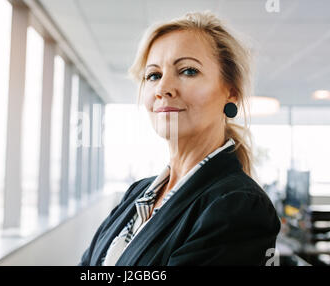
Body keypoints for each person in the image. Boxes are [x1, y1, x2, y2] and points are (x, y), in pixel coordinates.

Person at [79, 11, 280, 266]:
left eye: (187, 71)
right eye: (153, 75)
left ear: (231, 93)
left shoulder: (238, 205)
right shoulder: (138, 192)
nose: (163, 89)